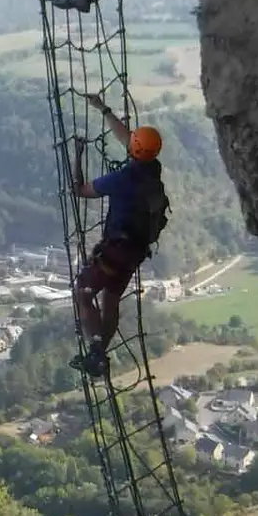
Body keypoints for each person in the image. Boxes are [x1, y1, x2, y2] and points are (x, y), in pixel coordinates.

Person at [68, 91, 166, 376]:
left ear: (136, 150)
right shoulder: (152, 169)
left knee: (84, 294)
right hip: (134, 251)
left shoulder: (123, 178)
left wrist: (78, 155)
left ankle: (97, 351)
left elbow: (81, 190)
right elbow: (129, 140)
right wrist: (104, 110)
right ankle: (99, 353)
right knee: (110, 299)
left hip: (115, 249)